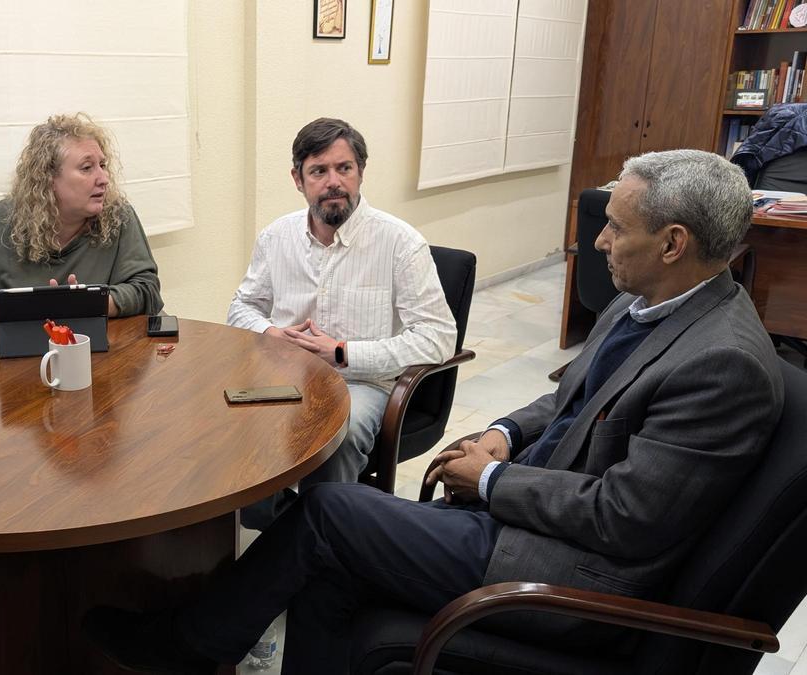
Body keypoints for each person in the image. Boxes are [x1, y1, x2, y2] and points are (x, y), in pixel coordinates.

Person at [83, 148, 785, 673]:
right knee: (330, 558)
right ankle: (207, 643)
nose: (598, 242)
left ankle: (185, 647)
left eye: (616, 228)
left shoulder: (722, 364)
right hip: (523, 519)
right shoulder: (649, 302)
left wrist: (490, 482)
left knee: (330, 513)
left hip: (565, 576)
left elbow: (625, 517)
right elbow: (571, 397)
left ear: (673, 243)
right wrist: (505, 432)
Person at [227, 117, 457, 530]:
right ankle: (295, 531)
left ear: (360, 172)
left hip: (363, 383)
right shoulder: (276, 238)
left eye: (344, 168)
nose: (333, 181)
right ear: (298, 179)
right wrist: (271, 333)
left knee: (337, 435)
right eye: (319, 171)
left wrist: (343, 352)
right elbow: (241, 307)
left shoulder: (400, 243)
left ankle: (327, 545)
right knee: (229, 422)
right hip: (284, 373)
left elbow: (439, 338)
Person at [0, 112, 164, 326]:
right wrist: (32, 308)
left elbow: (147, 289)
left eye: (103, 165)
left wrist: (91, 304)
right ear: (48, 178)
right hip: (20, 350)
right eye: (87, 168)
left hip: (100, 350)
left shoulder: (119, 216)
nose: (104, 178)